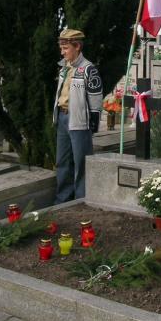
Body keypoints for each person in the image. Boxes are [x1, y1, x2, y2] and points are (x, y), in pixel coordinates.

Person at [52, 29, 102, 203]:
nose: (62, 51)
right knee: (62, 161)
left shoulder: (88, 69)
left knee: (81, 162)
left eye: (66, 48)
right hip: (62, 117)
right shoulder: (64, 67)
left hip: (79, 121)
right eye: (61, 47)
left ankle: (81, 199)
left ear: (78, 46)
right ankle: (63, 199)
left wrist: (93, 123)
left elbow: (95, 99)